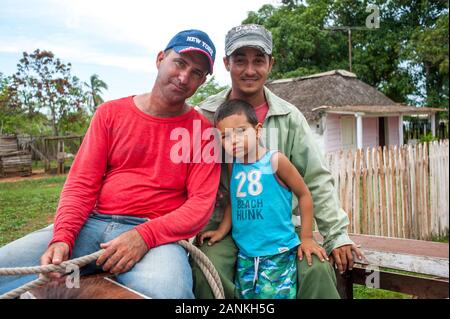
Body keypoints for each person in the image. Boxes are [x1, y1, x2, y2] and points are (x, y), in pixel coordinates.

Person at [0, 29, 221, 299]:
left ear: (202, 81)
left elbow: (200, 206)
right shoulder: (110, 113)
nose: (185, 77)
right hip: (92, 224)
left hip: (156, 235)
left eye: (197, 73)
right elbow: (81, 183)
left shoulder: (204, 133)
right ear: (160, 59)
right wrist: (63, 236)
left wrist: (144, 235)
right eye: (180, 63)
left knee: (168, 292)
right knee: (6, 266)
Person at [192, 24, 363, 299]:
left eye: (258, 60)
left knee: (316, 269)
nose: (250, 70)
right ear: (226, 63)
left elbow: (315, 179)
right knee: (205, 268)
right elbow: (183, 177)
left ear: (271, 63)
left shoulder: (290, 117)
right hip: (225, 227)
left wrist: (336, 236)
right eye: (240, 60)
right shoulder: (205, 115)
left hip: (280, 227)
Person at [198, 99, 327, 299]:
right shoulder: (234, 165)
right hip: (246, 254)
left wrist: (307, 237)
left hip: (278, 252)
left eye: (240, 131)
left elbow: (304, 194)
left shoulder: (275, 161)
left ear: (258, 131)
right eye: (225, 136)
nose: (233, 140)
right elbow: (234, 201)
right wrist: (221, 231)